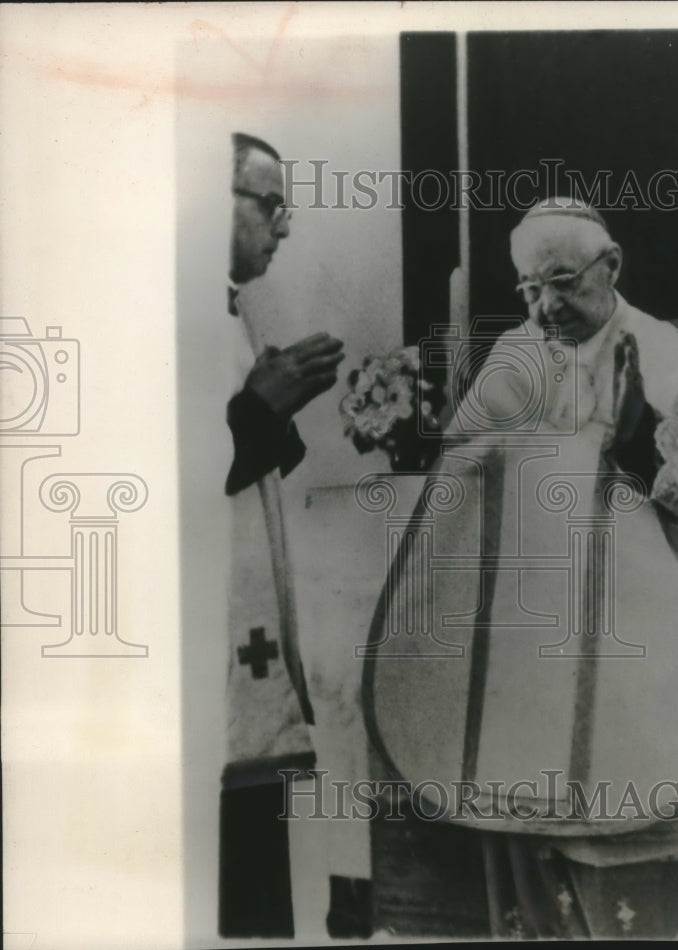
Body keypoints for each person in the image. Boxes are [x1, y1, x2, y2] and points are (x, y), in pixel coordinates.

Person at [364, 199, 678, 938]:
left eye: (561, 282)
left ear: (610, 265)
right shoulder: (513, 361)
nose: (545, 305)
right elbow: (460, 492)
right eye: (529, 288)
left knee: (642, 888)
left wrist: (646, 438)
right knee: (531, 883)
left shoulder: (667, 356)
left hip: (636, 655)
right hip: (526, 670)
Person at [221, 132, 360, 939]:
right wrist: (255, 409)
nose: (285, 226)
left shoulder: (228, 310)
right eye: (270, 204)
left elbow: (229, 462)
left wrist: (271, 411)